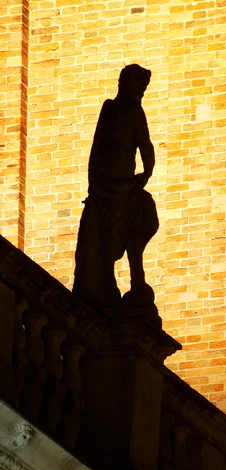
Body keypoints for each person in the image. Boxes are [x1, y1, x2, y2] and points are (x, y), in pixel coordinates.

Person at [73, 64, 158, 308]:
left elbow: (146, 146)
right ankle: (101, 284)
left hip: (123, 185)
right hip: (104, 185)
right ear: (124, 83)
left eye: (143, 87)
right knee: (100, 237)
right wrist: (97, 180)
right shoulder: (110, 108)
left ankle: (133, 279)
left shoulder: (135, 111)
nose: (140, 91)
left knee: (137, 224)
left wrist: (144, 174)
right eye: (137, 85)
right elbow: (98, 147)